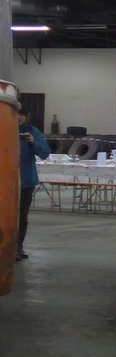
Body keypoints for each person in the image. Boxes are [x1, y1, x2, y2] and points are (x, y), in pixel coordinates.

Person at [16, 106, 51, 261]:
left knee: (21, 216)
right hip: (5, 181)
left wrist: (33, 142)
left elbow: (44, 153)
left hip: (25, 181)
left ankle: (18, 247)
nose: (18, 117)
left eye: (21, 114)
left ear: (26, 116)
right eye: (15, 114)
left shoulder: (32, 131)